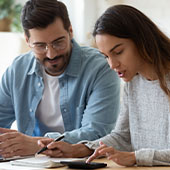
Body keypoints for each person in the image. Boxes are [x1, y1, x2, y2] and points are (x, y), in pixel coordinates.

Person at [37, 4, 170, 167]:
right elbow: (122, 136)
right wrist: (78, 149)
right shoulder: (133, 83)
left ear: (142, 41)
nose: (112, 64)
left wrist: (136, 157)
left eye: (118, 52)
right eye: (106, 56)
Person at [0, 0, 120, 158]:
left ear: (70, 31)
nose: (51, 54)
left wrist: (38, 144)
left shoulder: (101, 68)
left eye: (58, 42)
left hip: (81, 162)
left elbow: (96, 133)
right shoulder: (18, 69)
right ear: (27, 41)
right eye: (40, 46)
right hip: (30, 163)